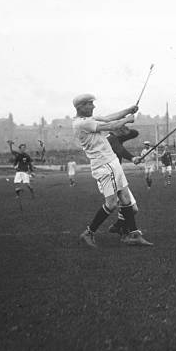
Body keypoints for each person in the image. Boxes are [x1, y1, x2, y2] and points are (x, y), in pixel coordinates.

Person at [72, 93, 152, 247]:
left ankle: (134, 235)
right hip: (103, 166)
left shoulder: (88, 119)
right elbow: (111, 126)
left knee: (126, 200)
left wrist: (128, 110)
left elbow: (109, 118)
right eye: (90, 104)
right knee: (111, 203)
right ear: (81, 107)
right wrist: (127, 120)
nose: (93, 106)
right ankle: (88, 233)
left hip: (112, 163)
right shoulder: (82, 124)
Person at [104, 125, 150, 243]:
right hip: (110, 177)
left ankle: (118, 226)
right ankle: (127, 234)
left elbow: (135, 133)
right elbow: (119, 150)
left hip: (117, 176)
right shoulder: (110, 139)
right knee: (125, 206)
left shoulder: (117, 137)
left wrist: (126, 129)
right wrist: (133, 158)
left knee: (133, 209)